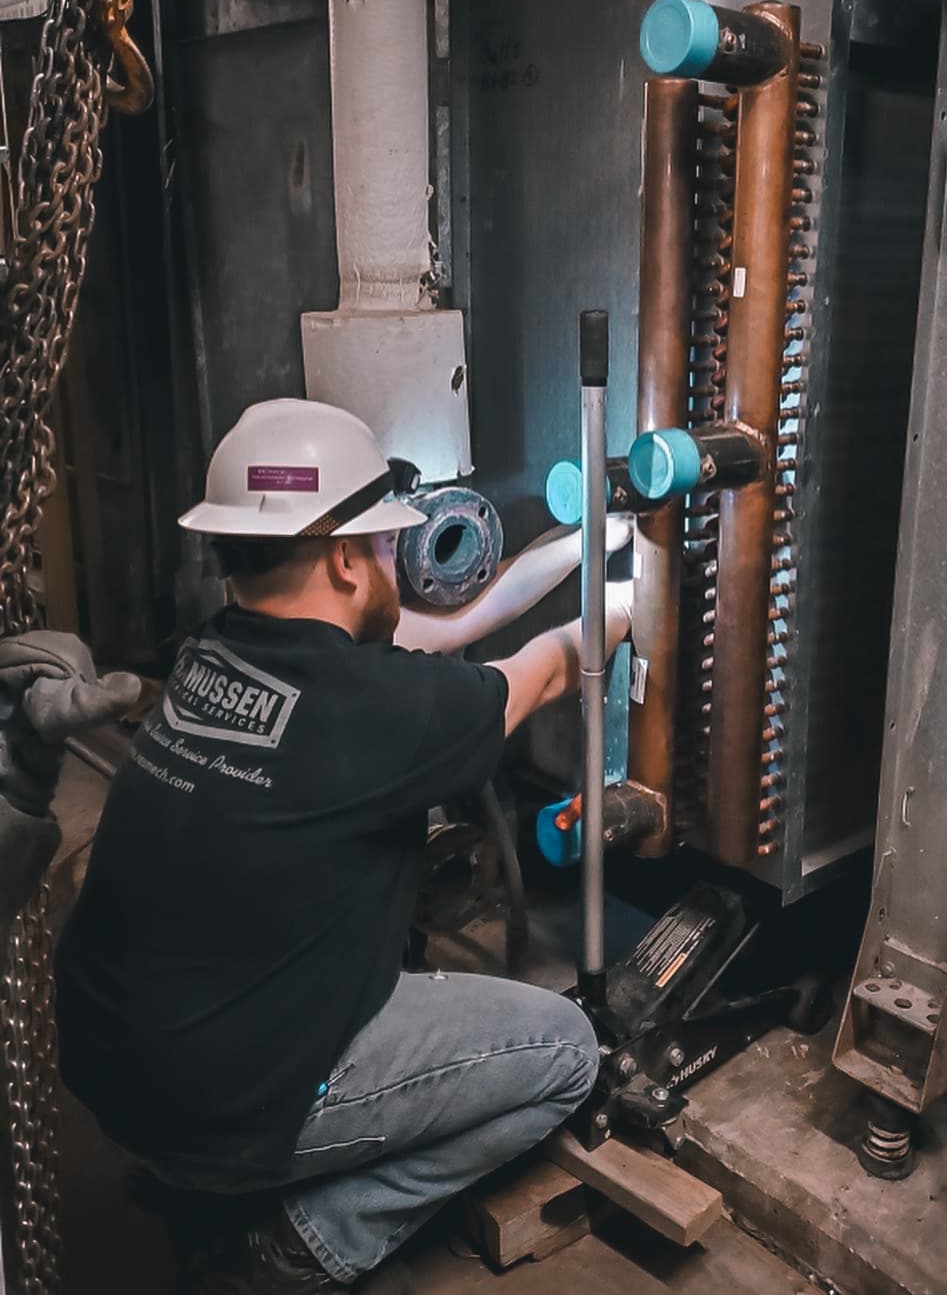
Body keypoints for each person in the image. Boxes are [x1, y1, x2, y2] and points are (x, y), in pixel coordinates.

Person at [54, 398, 633, 1293]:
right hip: (220, 1104)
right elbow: (552, 664)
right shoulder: (380, 711)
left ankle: (193, 1186)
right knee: (566, 1050)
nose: (399, 557)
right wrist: (641, 597)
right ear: (345, 557)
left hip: (113, 1073)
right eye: (389, 542)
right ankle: (296, 1243)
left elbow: (450, 627)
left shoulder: (214, 650)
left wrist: (587, 541)